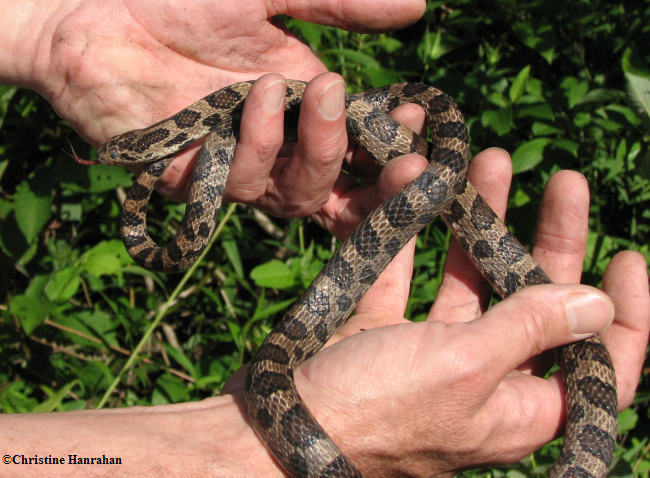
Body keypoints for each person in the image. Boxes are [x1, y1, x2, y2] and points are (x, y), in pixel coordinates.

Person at [1, 1, 648, 476]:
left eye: (125, 159)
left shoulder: (208, 120)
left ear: (163, 141)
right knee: (403, 160)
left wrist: (57, 25)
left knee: (412, 154)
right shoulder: (209, 127)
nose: (111, 159)